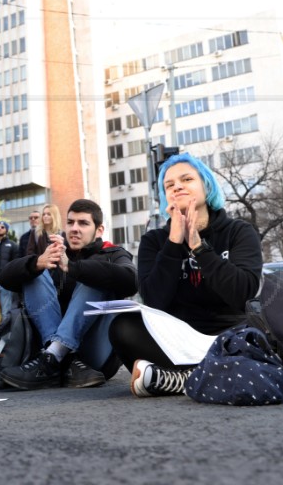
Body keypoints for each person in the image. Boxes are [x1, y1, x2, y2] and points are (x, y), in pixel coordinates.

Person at [108, 153, 262, 398]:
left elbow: (243, 293)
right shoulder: (154, 241)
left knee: (271, 332)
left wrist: (198, 247)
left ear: (206, 186)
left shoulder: (238, 231)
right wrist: (173, 244)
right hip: (176, 341)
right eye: (169, 185)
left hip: (229, 336)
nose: (177, 186)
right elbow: (154, 302)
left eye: (187, 179)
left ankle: (180, 379)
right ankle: (210, 375)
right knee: (123, 327)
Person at [0, 199, 137, 390]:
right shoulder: (56, 254)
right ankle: (57, 356)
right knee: (36, 272)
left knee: (96, 276)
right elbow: (4, 278)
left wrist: (73, 268)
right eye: (70, 222)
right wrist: (37, 263)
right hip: (50, 346)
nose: (74, 229)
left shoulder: (113, 253)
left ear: (99, 230)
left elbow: (132, 282)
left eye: (83, 223)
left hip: (94, 354)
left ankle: (53, 356)